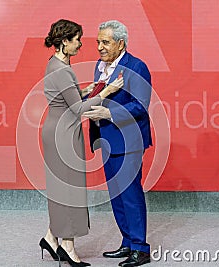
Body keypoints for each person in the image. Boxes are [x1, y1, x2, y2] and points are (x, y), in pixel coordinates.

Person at [39, 19, 123, 267]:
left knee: (61, 189)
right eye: (77, 40)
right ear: (64, 41)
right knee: (69, 191)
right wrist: (106, 92)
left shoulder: (56, 64)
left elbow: (67, 98)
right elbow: (77, 110)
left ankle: (51, 238)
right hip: (64, 134)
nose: (80, 45)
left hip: (58, 130)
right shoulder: (62, 70)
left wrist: (86, 90)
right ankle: (68, 246)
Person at [83, 20, 152, 267]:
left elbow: (140, 105)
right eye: (98, 42)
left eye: (105, 42)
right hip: (107, 140)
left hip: (129, 141)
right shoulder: (99, 67)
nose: (100, 47)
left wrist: (109, 114)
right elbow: (97, 98)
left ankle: (140, 248)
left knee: (130, 193)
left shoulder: (137, 66)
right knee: (116, 195)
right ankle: (127, 242)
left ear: (120, 43)